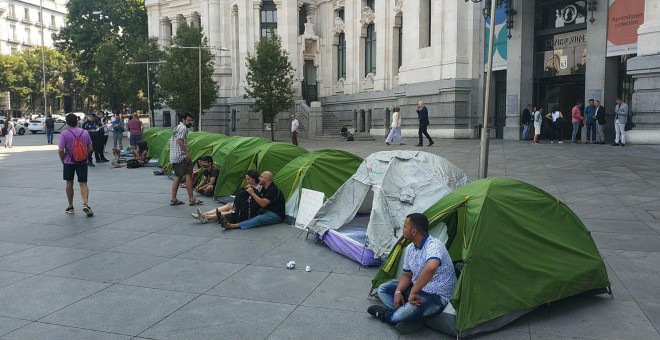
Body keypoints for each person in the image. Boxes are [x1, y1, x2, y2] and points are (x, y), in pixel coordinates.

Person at [368, 213, 457, 335]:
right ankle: (412, 318)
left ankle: (387, 315)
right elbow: (406, 275)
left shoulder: (434, 246)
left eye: (405, 226)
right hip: (417, 288)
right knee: (383, 289)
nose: (402, 229)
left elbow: (431, 267)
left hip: (436, 295)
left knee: (399, 315)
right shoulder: (410, 248)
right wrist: (398, 292)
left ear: (413, 231)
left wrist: (414, 292)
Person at [219, 171, 284, 230]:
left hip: (275, 214)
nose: (259, 178)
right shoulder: (263, 187)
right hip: (264, 210)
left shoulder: (273, 189)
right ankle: (223, 216)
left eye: (261, 177)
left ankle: (233, 225)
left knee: (258, 219)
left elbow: (263, 203)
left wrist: (252, 193)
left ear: (267, 179)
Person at [58, 113, 94, 217]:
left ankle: (71, 206)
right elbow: (91, 147)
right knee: (83, 183)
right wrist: (83, 155)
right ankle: (85, 204)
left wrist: (63, 159)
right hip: (82, 162)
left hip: (69, 161)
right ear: (77, 121)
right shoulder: (85, 132)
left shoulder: (64, 133)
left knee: (69, 183)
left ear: (67, 122)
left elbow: (61, 149)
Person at [192, 170, 261, 224]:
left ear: (255, 178)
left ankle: (206, 217)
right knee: (229, 205)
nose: (247, 181)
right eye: (246, 179)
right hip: (243, 204)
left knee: (231, 211)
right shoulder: (249, 185)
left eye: (249, 179)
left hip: (248, 207)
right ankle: (204, 214)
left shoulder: (259, 187)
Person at [169, 113, 203, 206]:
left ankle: (174, 198)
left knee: (177, 177)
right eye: (189, 120)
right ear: (183, 120)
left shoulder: (177, 127)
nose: (190, 122)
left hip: (174, 156)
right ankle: (191, 199)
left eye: (192, 120)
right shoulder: (183, 128)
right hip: (181, 156)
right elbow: (179, 141)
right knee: (188, 175)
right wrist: (186, 153)